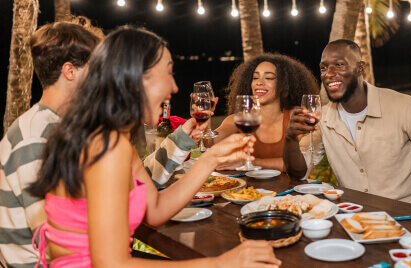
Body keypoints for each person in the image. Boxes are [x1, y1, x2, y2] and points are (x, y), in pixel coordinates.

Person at [27, 26, 280, 267]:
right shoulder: (104, 147)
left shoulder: (113, 138)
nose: (175, 87)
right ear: (136, 78)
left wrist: (211, 158)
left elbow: (156, 209)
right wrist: (220, 263)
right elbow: (111, 264)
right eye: (169, 72)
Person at [283, 39, 411, 204]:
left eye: (339, 65)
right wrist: (290, 138)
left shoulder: (406, 107)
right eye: (323, 67)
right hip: (355, 215)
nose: (329, 73)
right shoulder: (323, 118)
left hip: (408, 214)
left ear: (360, 68)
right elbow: (298, 173)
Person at [0, 18, 103, 267]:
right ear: (70, 71)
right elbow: (53, 239)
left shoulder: (58, 127)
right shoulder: (35, 137)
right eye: (96, 70)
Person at [214, 53, 319, 171]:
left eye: (269, 78)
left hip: (289, 189)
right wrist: (203, 122)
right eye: (255, 77)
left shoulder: (295, 119)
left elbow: (297, 164)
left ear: (284, 85)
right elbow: (211, 141)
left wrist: (248, 162)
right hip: (249, 189)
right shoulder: (240, 119)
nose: (259, 82)